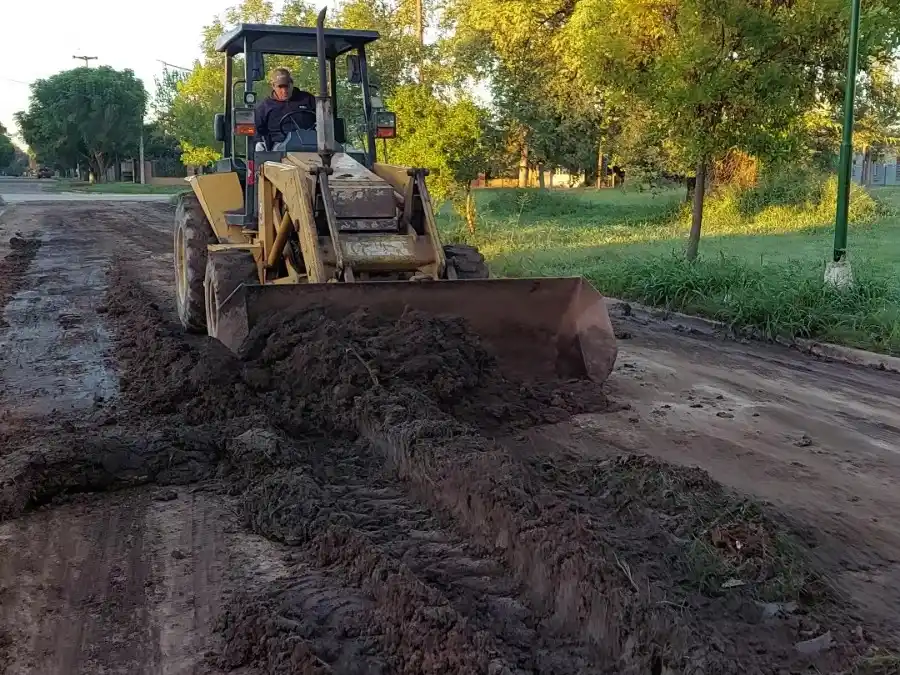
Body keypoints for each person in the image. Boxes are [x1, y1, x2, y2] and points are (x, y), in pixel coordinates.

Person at [254, 68, 316, 149]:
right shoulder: (265, 106)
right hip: (279, 145)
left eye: (287, 86)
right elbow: (258, 131)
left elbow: (323, 122)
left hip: (310, 144)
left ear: (292, 84)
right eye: (280, 87)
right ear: (273, 86)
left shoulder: (307, 99)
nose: (284, 91)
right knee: (259, 146)